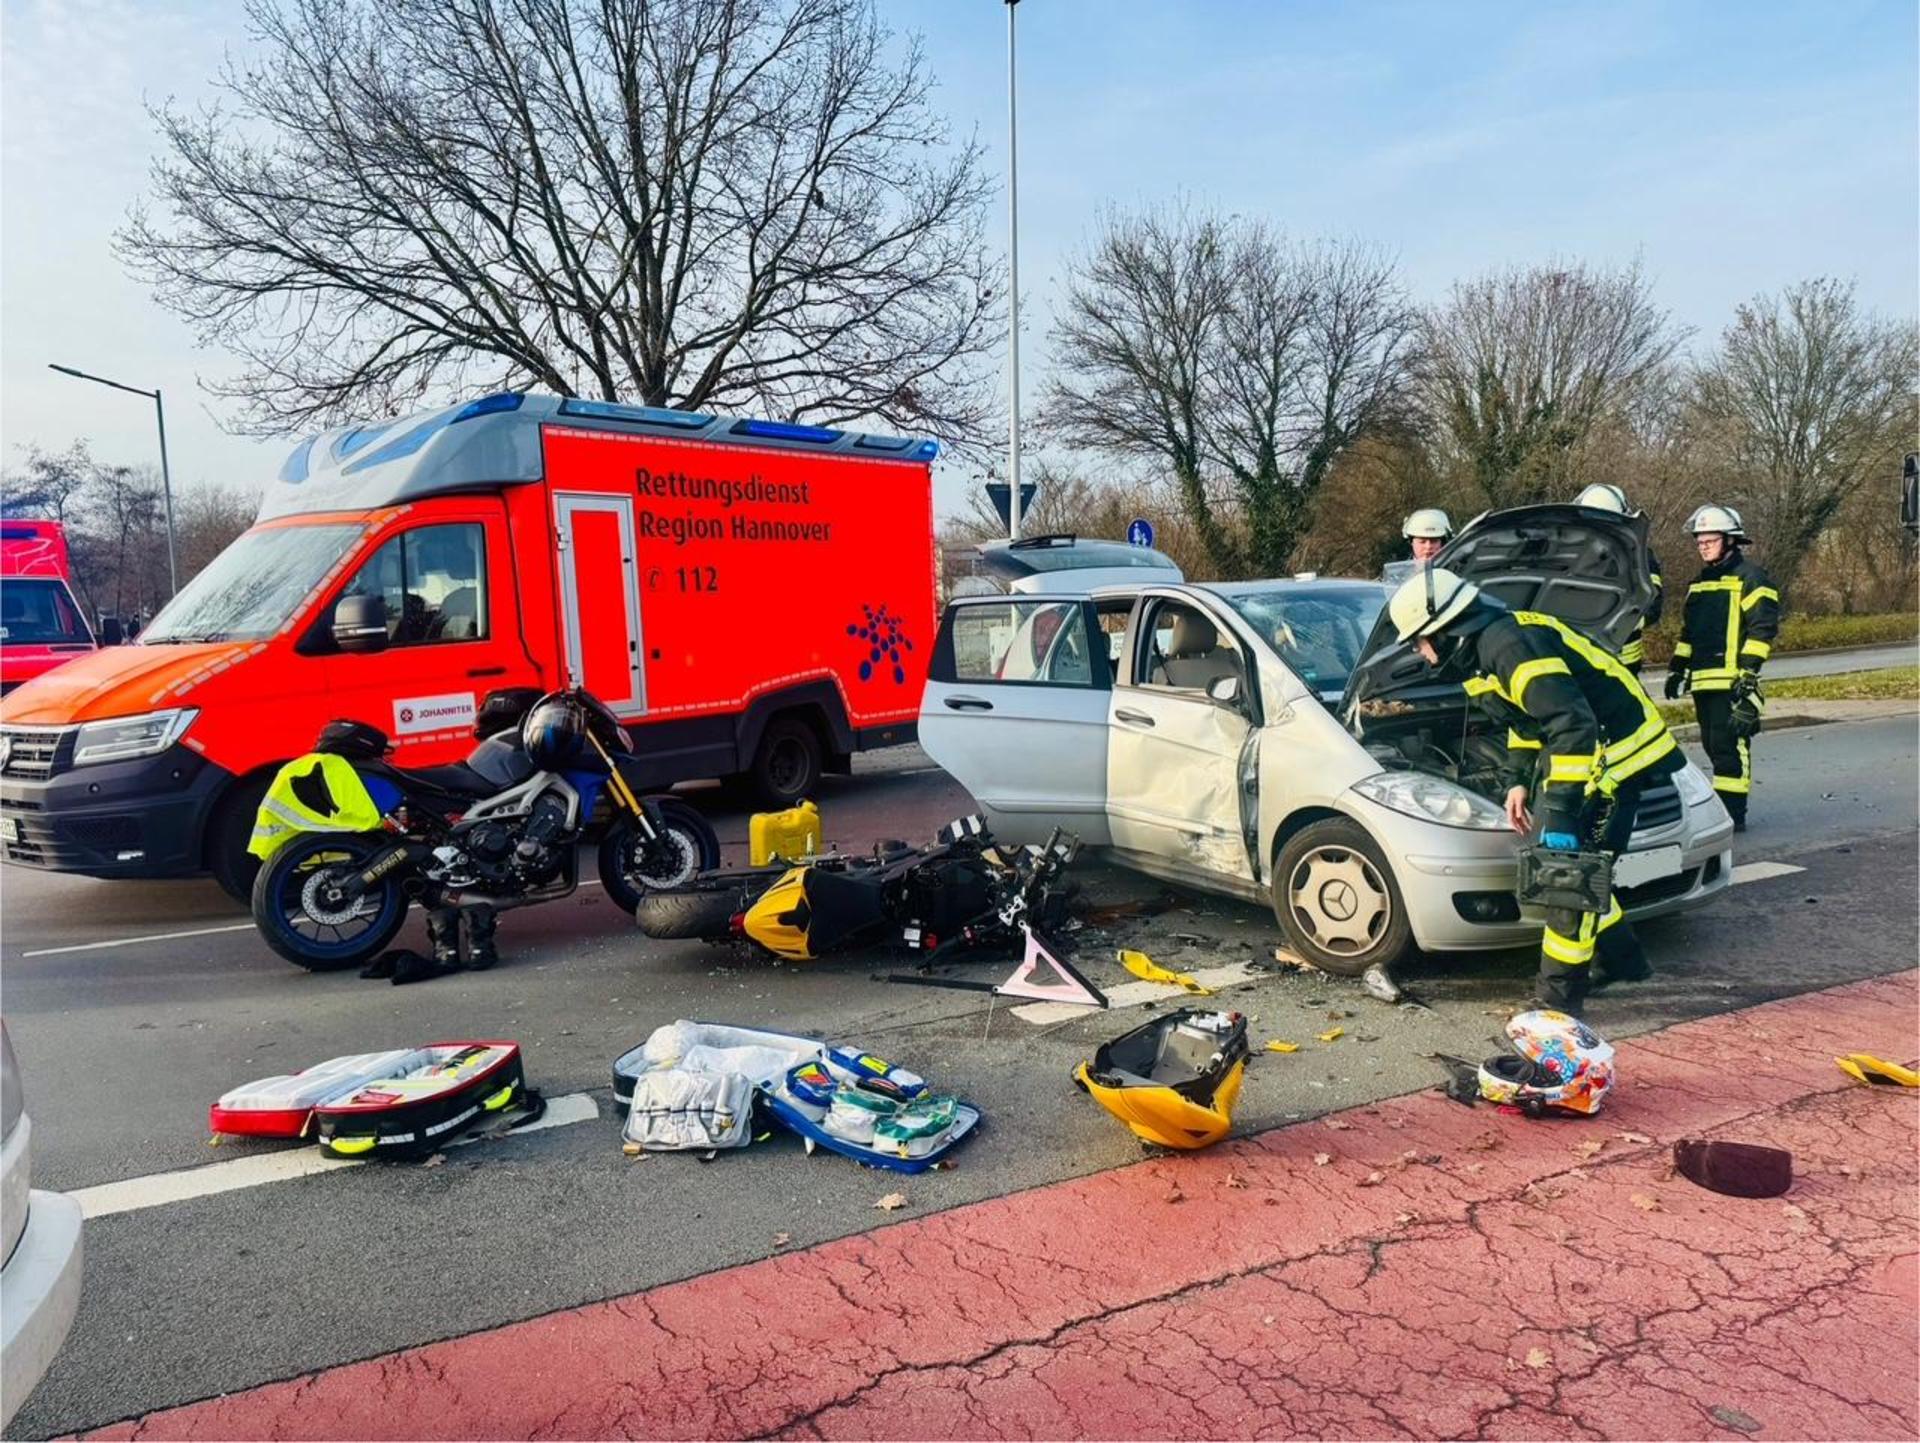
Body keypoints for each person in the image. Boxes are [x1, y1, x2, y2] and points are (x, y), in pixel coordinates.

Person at [1388, 566, 1683, 1017]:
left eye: (1418, 641)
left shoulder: (1509, 646)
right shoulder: (1479, 656)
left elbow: (1572, 725)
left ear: (1445, 630)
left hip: (1619, 755)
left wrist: (1562, 808)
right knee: (1575, 870)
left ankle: (1559, 1003)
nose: (1420, 653)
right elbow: (1527, 723)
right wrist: (1519, 781)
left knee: (1567, 879)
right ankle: (1625, 961)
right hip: (1588, 751)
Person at [1665, 505, 1779, 832]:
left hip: (1732, 682)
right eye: (1700, 541)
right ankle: (1723, 811)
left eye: (1710, 539)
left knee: (1731, 748)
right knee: (1713, 747)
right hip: (1703, 682)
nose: (1703, 545)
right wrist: (1677, 668)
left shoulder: (1751, 578)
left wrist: (1748, 674)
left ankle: (1733, 814)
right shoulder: (1698, 584)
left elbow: (1762, 629)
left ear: (1730, 540)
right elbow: (1690, 633)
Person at [1572, 482, 1663, 676]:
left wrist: (1621, 623)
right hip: (1583, 661)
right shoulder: (1574, 556)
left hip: (1624, 663)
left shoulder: (1641, 557)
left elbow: (1652, 606)